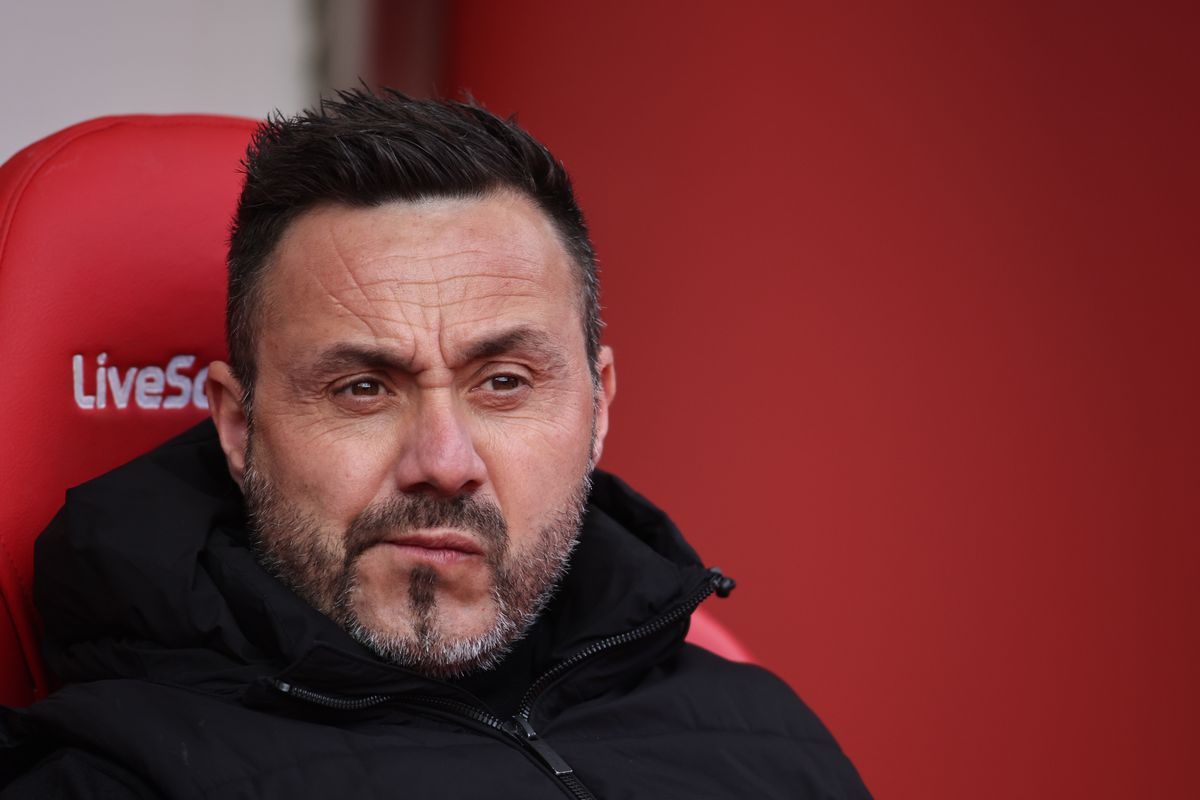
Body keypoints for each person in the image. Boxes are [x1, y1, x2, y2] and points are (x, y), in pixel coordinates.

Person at [0, 90, 871, 798]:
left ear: (598, 409)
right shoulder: (115, 777)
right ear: (239, 426)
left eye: (503, 383)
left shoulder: (764, 730)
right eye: (363, 388)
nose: (444, 463)